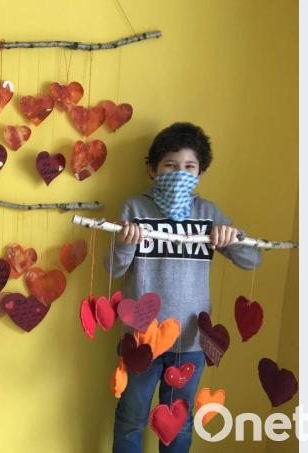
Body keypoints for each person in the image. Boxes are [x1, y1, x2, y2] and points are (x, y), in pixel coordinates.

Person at [104, 122, 262, 453]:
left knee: (179, 422)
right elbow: (112, 270)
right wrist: (124, 241)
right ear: (152, 169)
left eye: (189, 167)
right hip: (142, 341)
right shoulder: (135, 209)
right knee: (132, 416)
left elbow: (252, 261)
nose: (180, 174)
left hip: (190, 341)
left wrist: (234, 236)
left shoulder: (207, 213)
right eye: (170, 166)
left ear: (200, 172)